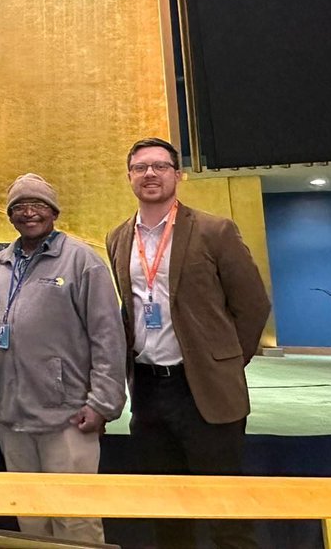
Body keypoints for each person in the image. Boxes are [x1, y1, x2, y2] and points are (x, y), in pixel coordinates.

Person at [106, 138, 271, 549]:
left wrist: (225, 362)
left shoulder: (215, 231)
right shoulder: (117, 238)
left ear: (178, 176)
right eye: (140, 167)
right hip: (147, 389)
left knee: (226, 515)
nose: (150, 174)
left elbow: (252, 304)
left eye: (160, 166)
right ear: (129, 177)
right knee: (167, 512)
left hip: (204, 391)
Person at [0, 174, 126, 544]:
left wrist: (103, 403)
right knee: (31, 519)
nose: (28, 213)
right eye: (19, 207)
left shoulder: (82, 262)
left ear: (54, 212)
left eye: (37, 205)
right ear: (9, 216)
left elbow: (108, 336)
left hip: (68, 418)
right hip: (13, 417)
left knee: (76, 520)